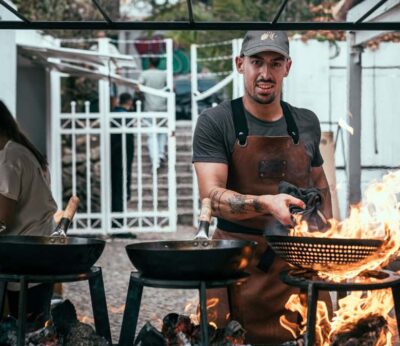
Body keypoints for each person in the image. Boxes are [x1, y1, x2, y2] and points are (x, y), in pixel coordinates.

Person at [192, 31, 332, 344]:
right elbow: (212, 197)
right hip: (236, 262)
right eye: (257, 62)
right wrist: (267, 204)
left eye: (275, 62)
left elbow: (321, 185)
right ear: (240, 64)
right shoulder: (216, 122)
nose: (265, 73)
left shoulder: (306, 122)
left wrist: (322, 240)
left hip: (296, 261)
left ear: (288, 67)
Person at [0, 100, 57, 327]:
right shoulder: (20, 150)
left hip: (27, 256)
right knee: (34, 329)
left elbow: (2, 219)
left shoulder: (9, 158)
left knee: (26, 329)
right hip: (39, 252)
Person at [138, 57, 168, 169]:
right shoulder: (164, 74)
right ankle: (160, 154)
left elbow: (138, 87)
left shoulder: (144, 74)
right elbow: (172, 88)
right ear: (159, 62)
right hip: (163, 108)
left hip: (149, 108)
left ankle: (154, 160)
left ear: (149, 62)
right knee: (162, 132)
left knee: (151, 134)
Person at [111, 93, 135, 219]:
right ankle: (118, 221)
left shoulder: (114, 114)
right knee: (121, 189)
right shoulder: (126, 116)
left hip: (115, 158)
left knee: (116, 189)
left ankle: (117, 220)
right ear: (130, 102)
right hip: (122, 158)